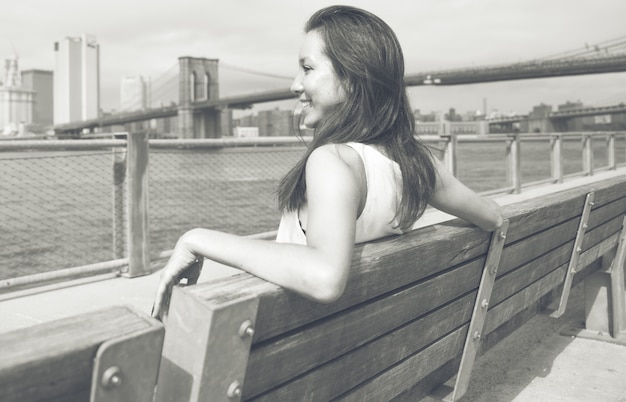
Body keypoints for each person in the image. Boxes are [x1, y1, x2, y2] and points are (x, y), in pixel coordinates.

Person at [151, 5, 502, 320]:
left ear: (351, 78)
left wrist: (197, 239)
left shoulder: (332, 162)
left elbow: (325, 279)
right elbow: (492, 217)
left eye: (307, 68)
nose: (294, 84)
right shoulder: (418, 162)